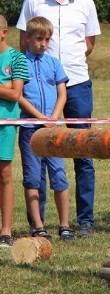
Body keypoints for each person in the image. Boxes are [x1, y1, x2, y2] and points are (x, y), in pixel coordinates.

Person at [16, 0, 100, 238]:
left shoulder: (86, 3)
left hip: (76, 83)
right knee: (36, 149)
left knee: (82, 150)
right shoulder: (33, 1)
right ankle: (38, 224)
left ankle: (84, 220)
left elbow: (89, 44)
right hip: (39, 87)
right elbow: (22, 43)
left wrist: (67, 64)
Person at [17, 17, 72, 241]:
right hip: (31, 128)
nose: (43, 44)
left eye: (47, 39)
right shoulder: (20, 63)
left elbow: (62, 93)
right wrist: (39, 117)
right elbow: (18, 95)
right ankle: (38, 226)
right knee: (32, 177)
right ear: (28, 38)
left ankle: (65, 225)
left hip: (53, 129)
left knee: (59, 175)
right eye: (39, 39)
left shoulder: (54, 63)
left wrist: (54, 117)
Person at [0, 14, 28, 248]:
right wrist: (5, 85)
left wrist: (10, 88)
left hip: (5, 124)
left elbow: (15, 95)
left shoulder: (17, 58)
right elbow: (8, 89)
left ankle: (6, 231)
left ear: (4, 33)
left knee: (5, 175)